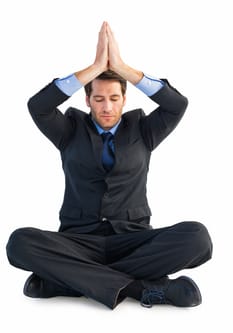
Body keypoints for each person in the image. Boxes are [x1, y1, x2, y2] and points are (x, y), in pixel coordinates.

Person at [6, 22, 212, 309]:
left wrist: (124, 68)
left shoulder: (144, 129)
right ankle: (141, 288)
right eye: (99, 99)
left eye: (114, 98)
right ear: (87, 100)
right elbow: (37, 105)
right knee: (20, 243)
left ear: (124, 100)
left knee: (198, 238)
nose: (106, 107)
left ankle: (68, 281)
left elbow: (177, 104)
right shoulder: (69, 129)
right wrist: (93, 68)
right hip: (78, 241)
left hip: (133, 240)